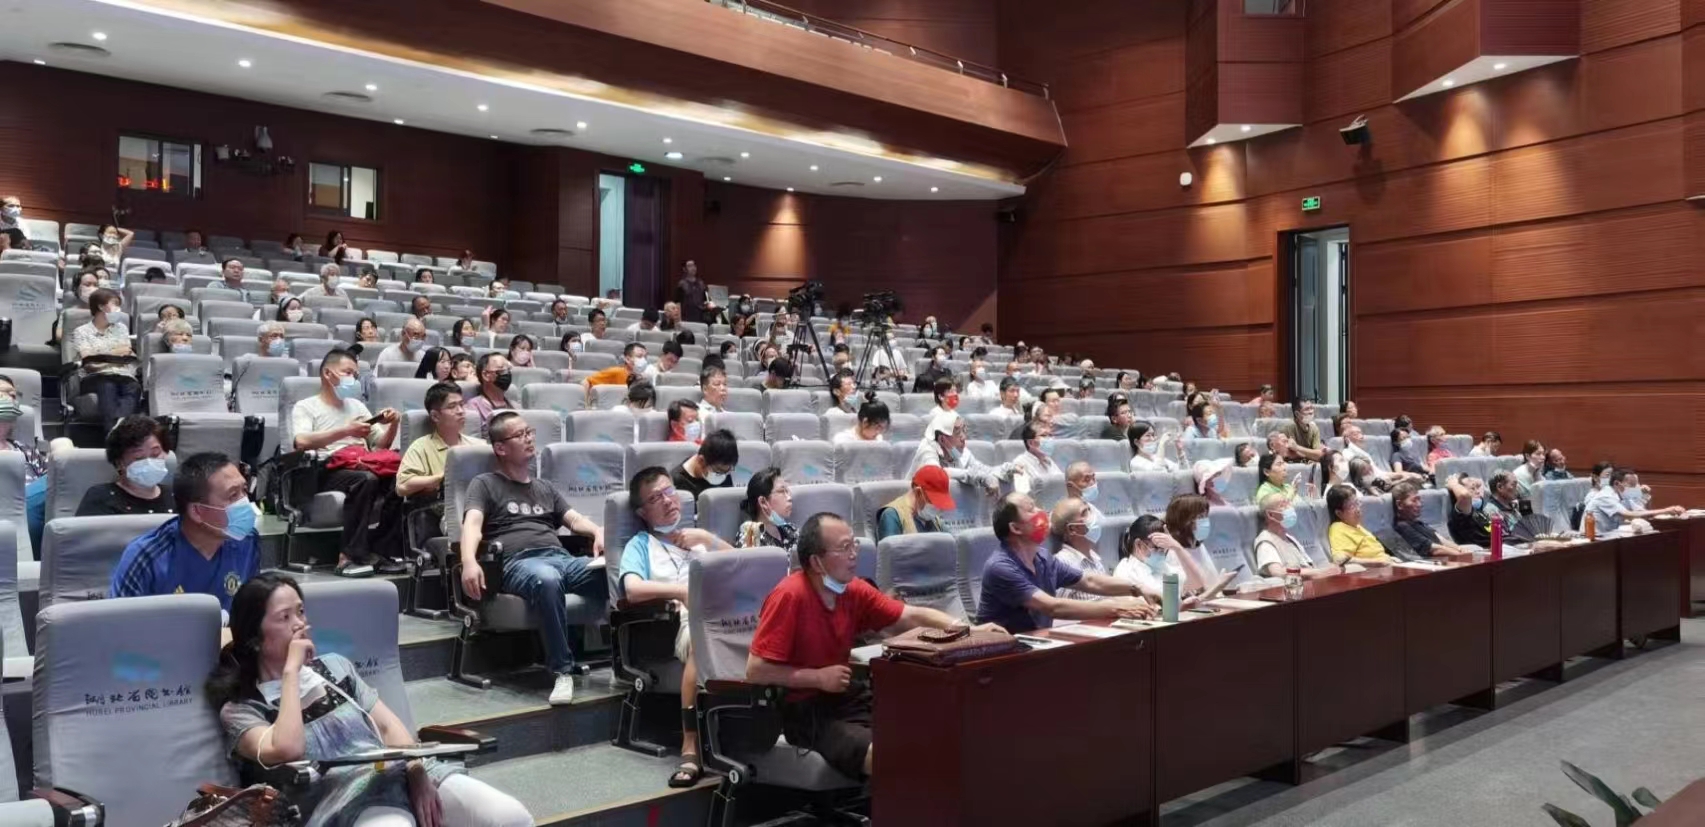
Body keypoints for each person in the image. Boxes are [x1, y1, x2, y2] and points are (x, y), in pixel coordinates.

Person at [208, 574, 533, 827]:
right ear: (254, 638)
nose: (300, 624)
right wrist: (291, 672)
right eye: (284, 617)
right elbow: (287, 748)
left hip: (399, 773)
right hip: (342, 799)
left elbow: (389, 728)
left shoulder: (335, 668)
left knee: (510, 817)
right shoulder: (242, 709)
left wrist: (417, 773)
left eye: (301, 611)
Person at [748, 513, 989, 780]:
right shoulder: (789, 596)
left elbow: (908, 616)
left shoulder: (853, 589)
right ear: (816, 561)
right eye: (844, 548)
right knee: (886, 757)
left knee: (938, 727)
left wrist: (965, 629)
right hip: (807, 712)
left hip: (848, 696)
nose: (854, 554)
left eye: (854, 545)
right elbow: (756, 670)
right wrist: (817, 678)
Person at [460, 411, 606, 704]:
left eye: (530, 433)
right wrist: (469, 562)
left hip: (562, 559)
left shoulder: (545, 487)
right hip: (518, 563)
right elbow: (472, 525)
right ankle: (562, 672)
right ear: (500, 447)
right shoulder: (484, 483)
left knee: (613, 570)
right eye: (520, 435)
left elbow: (575, 520)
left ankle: (632, 659)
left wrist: (598, 531)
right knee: (547, 579)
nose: (529, 439)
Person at [618, 467, 731, 786]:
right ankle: (690, 745)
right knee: (703, 635)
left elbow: (746, 567)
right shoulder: (641, 544)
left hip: (725, 614)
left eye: (669, 492)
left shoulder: (699, 539)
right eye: (656, 498)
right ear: (643, 512)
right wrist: (681, 592)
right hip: (678, 623)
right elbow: (632, 590)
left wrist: (707, 538)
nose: (668, 500)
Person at [290, 350, 401, 575]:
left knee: (400, 482)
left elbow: (380, 446)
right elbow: (301, 442)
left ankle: (380, 551)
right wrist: (346, 431)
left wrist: (394, 424)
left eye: (355, 375)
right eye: (348, 372)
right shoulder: (306, 406)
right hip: (325, 468)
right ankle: (348, 557)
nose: (353, 379)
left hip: (361, 462)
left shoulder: (357, 406)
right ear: (327, 374)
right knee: (365, 480)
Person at [976, 493, 1153, 634]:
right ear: (1015, 528)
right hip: (1001, 654)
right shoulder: (1000, 567)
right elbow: (1053, 607)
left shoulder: (1043, 557)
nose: (1041, 512)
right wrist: (1115, 608)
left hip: (1037, 643)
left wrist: (1137, 588)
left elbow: (1089, 581)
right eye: (1031, 509)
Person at [109, 452, 260, 610]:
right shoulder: (146, 558)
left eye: (244, 490)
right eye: (233, 495)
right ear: (197, 511)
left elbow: (250, 611)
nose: (244, 501)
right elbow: (119, 622)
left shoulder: (248, 541)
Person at [397, 382, 485, 500]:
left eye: (461, 404)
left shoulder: (479, 446)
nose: (460, 411)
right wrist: (442, 478)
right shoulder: (421, 447)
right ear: (435, 416)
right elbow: (402, 486)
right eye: (452, 406)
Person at [76, 415, 173, 516]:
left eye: (155, 454)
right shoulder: (100, 497)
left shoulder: (177, 495)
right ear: (119, 463)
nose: (150, 462)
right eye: (139, 458)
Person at [72, 287, 140, 430]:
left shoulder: (121, 328)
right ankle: (112, 431)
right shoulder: (81, 331)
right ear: (101, 306)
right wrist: (114, 353)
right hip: (94, 377)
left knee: (133, 386)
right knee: (107, 384)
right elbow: (89, 360)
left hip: (122, 374)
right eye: (115, 304)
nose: (118, 309)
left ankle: (118, 429)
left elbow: (126, 353)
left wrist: (101, 355)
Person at [907, 412, 1018, 493]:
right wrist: (975, 477)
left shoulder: (959, 451)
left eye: (964, 430)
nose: (963, 437)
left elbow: (983, 471)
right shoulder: (927, 449)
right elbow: (936, 473)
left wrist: (1006, 469)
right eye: (957, 433)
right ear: (942, 439)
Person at [1254, 492, 1336, 579]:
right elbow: (1277, 572)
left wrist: (1327, 569)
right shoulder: (1265, 541)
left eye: (1288, 503)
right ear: (1270, 515)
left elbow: (1307, 566)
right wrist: (1315, 573)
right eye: (1283, 505)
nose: (1290, 508)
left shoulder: (1289, 538)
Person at [1048, 498, 1113, 602]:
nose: (1093, 515)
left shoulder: (1095, 558)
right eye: (1085, 512)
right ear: (1072, 529)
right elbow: (1057, 608)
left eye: (1089, 509)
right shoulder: (1063, 563)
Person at [1582, 468, 1682, 533]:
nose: (1634, 489)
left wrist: (1645, 496)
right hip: (1596, 538)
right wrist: (1666, 510)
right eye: (1631, 485)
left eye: (1635, 486)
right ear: (1617, 483)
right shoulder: (1605, 496)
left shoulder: (1624, 495)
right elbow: (1629, 515)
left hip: (1611, 535)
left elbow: (1642, 513)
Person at [1389, 481, 1471, 560]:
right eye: (1414, 500)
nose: (1419, 504)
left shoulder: (1418, 523)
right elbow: (1434, 550)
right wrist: (1462, 556)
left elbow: (1440, 539)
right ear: (1400, 505)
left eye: (1419, 499)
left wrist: (1460, 549)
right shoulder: (1402, 526)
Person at [875, 465, 953, 542]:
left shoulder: (934, 520)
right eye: (934, 501)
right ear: (918, 492)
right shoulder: (892, 516)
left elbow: (953, 544)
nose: (939, 509)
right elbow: (891, 550)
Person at [1325, 484, 1394, 566]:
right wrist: (1378, 563)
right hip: (1375, 570)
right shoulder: (1338, 528)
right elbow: (1340, 559)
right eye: (1352, 506)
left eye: (1357, 503)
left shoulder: (1357, 526)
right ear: (1339, 513)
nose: (1358, 509)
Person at [735, 468, 798, 551]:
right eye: (782, 491)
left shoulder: (790, 529)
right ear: (763, 502)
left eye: (788, 491)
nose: (789, 498)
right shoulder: (750, 533)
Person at [671, 428, 737, 498]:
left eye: (727, 471)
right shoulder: (678, 482)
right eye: (718, 471)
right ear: (701, 461)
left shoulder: (725, 470)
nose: (723, 476)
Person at [465, 353, 515, 437]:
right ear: (485, 375)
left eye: (508, 369)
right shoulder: (473, 407)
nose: (507, 374)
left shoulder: (515, 406)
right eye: (501, 370)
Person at [583, 342, 647, 391]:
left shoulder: (643, 378)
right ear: (627, 359)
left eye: (645, 357)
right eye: (639, 356)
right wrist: (586, 403)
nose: (643, 360)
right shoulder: (616, 372)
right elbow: (586, 382)